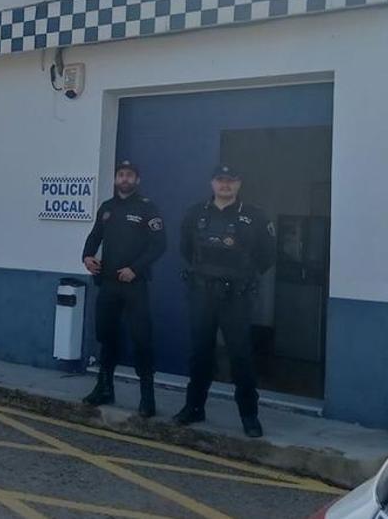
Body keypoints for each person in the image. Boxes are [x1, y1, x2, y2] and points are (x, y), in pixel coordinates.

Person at [174, 164, 276, 438]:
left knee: (240, 355)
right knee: (200, 354)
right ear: (212, 183)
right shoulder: (195, 213)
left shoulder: (254, 216)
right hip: (202, 294)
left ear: (239, 184)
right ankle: (194, 407)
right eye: (220, 180)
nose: (225, 185)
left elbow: (267, 255)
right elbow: (186, 249)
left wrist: (241, 276)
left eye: (231, 180)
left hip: (236, 298)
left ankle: (249, 416)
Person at [81, 160, 167, 416]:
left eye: (130, 175)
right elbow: (95, 236)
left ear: (137, 180)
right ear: (116, 178)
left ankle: (147, 398)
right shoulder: (107, 208)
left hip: (134, 285)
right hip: (108, 283)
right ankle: (104, 388)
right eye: (121, 174)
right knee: (107, 337)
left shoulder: (147, 208)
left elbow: (159, 245)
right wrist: (87, 256)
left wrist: (135, 269)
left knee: (142, 339)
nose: (125, 178)